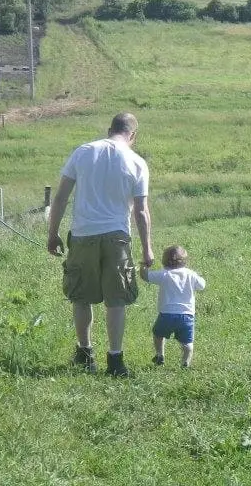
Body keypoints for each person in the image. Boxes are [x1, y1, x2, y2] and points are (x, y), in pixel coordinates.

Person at [47, 113, 153, 377]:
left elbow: (60, 197)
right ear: (133, 136)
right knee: (116, 299)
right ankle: (115, 360)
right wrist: (148, 248)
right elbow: (141, 211)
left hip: (83, 234)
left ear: (109, 130)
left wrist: (53, 233)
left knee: (81, 296)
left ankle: (85, 353)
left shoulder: (83, 152)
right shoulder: (137, 162)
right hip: (117, 236)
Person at [140, 245, 205, 368]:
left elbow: (145, 276)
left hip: (166, 315)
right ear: (185, 261)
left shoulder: (164, 274)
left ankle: (160, 355)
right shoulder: (190, 274)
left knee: (158, 334)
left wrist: (144, 265)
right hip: (187, 316)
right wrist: (197, 276)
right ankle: (185, 362)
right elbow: (202, 285)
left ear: (164, 261)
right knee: (187, 343)